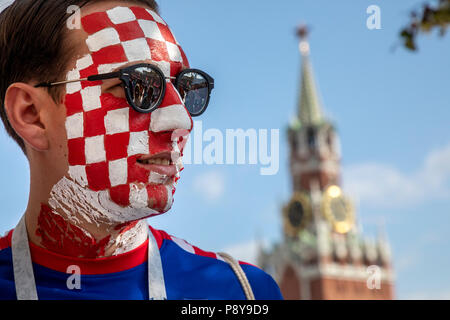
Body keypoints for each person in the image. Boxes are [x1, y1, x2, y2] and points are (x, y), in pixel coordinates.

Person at [0, 0, 283, 300]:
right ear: (31, 114)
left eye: (186, 89)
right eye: (139, 86)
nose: (182, 120)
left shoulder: (242, 293)